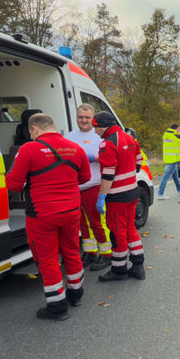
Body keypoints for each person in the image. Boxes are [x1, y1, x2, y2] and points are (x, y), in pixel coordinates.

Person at [6, 113, 91, 320]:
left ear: (34, 129)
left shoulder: (29, 149)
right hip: (71, 211)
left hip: (41, 215)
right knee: (71, 251)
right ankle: (76, 294)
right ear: (53, 126)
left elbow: (14, 185)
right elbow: (85, 177)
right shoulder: (75, 148)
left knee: (48, 259)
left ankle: (57, 307)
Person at [92, 111, 146, 281]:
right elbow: (138, 161)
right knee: (130, 229)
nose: (95, 131)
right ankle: (138, 266)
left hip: (117, 196)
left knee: (117, 233)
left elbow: (108, 174)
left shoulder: (107, 144)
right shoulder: (129, 138)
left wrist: (102, 196)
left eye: (96, 127)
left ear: (104, 126)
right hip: (132, 191)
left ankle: (118, 269)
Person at [65, 103, 112, 271]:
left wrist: (93, 158)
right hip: (75, 187)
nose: (84, 120)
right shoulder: (70, 137)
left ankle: (106, 253)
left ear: (92, 119)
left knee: (97, 222)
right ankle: (90, 251)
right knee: (82, 224)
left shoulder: (99, 135)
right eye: (80, 117)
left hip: (94, 185)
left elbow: (110, 157)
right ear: (76, 118)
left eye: (87, 117)